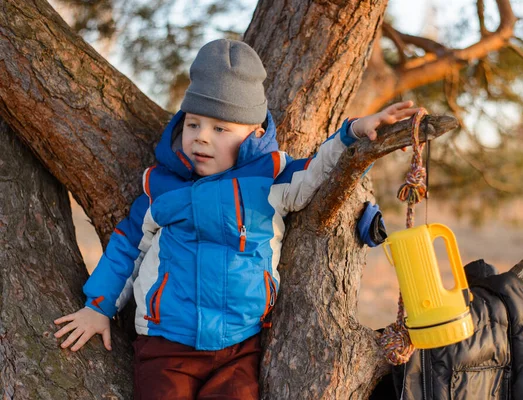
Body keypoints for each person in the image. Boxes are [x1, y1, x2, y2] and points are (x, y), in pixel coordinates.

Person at [54, 38, 420, 399]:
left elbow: (320, 171)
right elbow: (126, 247)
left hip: (239, 347)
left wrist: (353, 133)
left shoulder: (270, 182)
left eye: (220, 129)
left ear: (253, 135)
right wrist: (97, 307)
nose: (201, 138)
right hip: (165, 344)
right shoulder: (163, 186)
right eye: (193, 125)